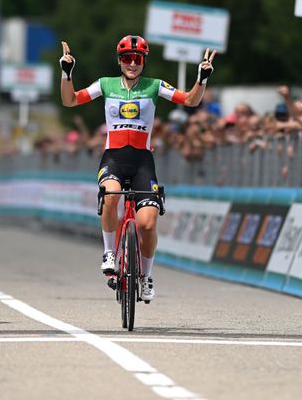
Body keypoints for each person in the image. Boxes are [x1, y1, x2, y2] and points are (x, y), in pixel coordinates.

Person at [59, 35, 216, 301]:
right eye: (127, 59)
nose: (132, 63)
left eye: (137, 59)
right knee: (110, 195)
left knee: (147, 224)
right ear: (119, 61)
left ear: (143, 62)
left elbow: (190, 100)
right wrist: (66, 73)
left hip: (143, 161)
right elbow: (70, 101)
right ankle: (109, 252)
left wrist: (201, 79)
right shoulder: (105, 84)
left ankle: (146, 277)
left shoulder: (154, 86)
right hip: (114, 159)